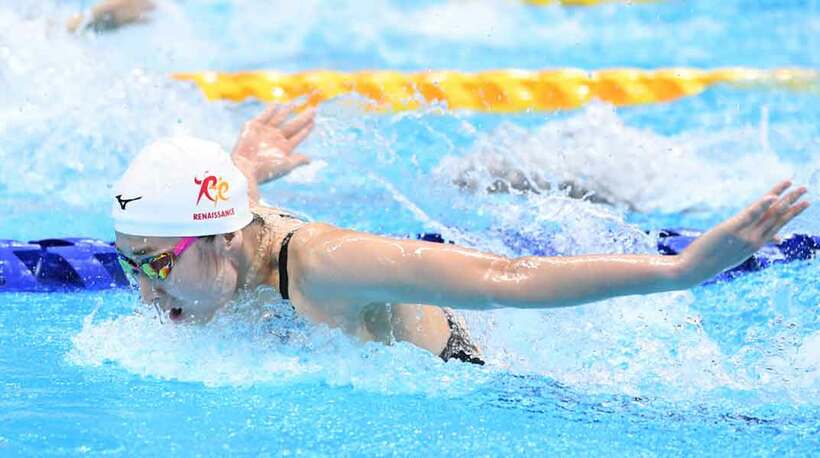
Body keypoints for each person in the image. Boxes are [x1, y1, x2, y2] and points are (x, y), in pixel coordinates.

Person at [112, 105, 810, 365]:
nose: (145, 293)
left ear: (220, 240)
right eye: (129, 267)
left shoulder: (327, 266)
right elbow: (236, 204)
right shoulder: (222, 235)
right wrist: (245, 165)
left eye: (155, 267)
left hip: (476, 369)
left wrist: (679, 270)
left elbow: (504, 280)